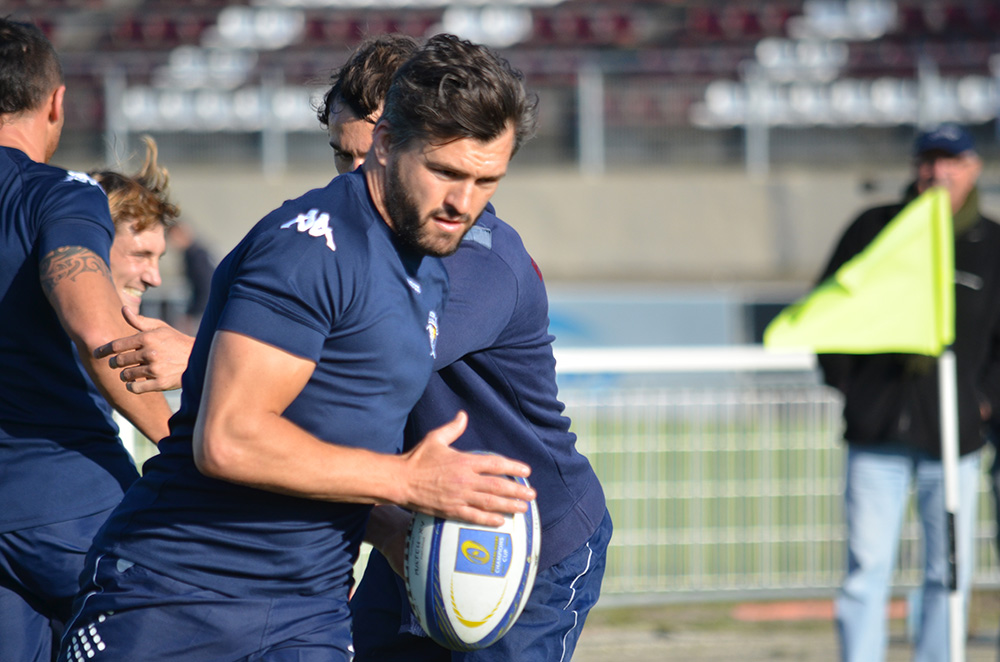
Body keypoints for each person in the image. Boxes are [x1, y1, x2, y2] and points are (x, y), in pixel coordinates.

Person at [58, 34, 539, 661]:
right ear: (386, 142)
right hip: (177, 598)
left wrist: (392, 528)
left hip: (310, 610)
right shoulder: (312, 247)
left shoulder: (429, 265)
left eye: (486, 181)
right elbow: (229, 441)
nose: (463, 203)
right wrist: (405, 479)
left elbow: (325, 432)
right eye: (446, 173)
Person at [315, 35, 611, 662]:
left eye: (371, 155)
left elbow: (371, 357)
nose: (356, 179)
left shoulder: (479, 260)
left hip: (525, 541)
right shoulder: (343, 241)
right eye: (343, 156)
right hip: (420, 523)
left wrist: (211, 353)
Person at [0, 19, 173, 662]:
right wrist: (183, 444)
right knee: (203, 611)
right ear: (57, 103)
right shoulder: (59, 193)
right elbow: (100, 333)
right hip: (63, 499)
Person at [818, 123, 1000, 662]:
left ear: (973, 168)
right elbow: (828, 308)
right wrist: (849, 385)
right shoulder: (873, 228)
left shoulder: (992, 244)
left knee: (948, 573)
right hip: (877, 435)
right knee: (866, 570)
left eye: (952, 161)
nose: (939, 172)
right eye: (929, 161)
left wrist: (983, 401)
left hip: (955, 442)